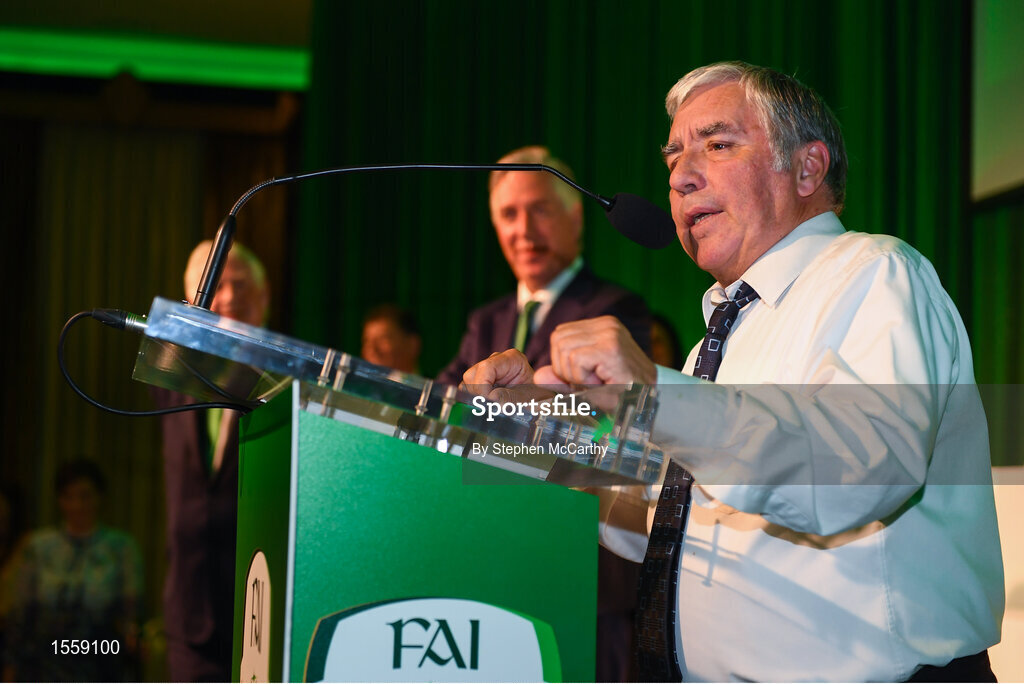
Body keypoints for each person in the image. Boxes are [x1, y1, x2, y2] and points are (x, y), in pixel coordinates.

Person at [461, 62, 1004, 682]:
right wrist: (539, 431)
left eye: (716, 145)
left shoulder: (876, 273)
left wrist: (654, 394)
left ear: (807, 168)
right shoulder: (712, 346)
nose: (681, 178)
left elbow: (859, 470)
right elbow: (659, 518)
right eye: (673, 159)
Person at [438, 146, 651, 682]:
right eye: (509, 214)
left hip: (587, 586)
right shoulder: (484, 322)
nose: (524, 229)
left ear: (575, 216)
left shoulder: (614, 311)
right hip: (499, 575)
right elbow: (443, 411)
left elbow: (613, 435)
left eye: (539, 209)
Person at [153, 239, 269, 682]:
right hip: (190, 607)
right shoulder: (170, 375)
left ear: (264, 296)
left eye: (241, 285)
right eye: (217, 286)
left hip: (262, 603)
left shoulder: (285, 379)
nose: (231, 297)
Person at [3, 459, 143, 682]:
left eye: (85, 496)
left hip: (99, 660)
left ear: (99, 497)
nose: (77, 505)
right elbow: (21, 613)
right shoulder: (39, 546)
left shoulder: (120, 547)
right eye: (68, 497)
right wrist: (11, 665)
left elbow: (130, 613)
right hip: (43, 662)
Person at [361, 304, 422, 373]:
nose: (372, 349)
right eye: (367, 341)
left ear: (412, 345)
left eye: (382, 339)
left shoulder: (432, 380)